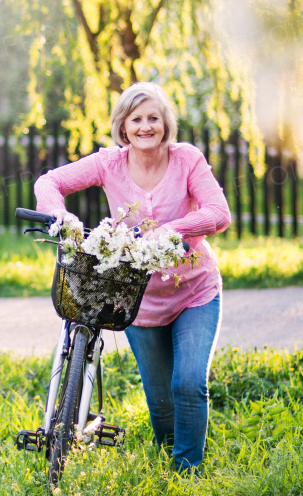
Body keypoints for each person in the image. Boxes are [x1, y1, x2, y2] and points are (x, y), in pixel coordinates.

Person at [33, 82, 231, 474]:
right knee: (160, 400)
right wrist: (63, 217)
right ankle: (171, 464)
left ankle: (188, 472)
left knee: (188, 384)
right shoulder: (109, 163)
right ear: (123, 126)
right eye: (136, 119)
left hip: (195, 292)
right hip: (136, 299)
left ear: (165, 123)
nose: (145, 126)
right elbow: (48, 182)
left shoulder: (187, 159)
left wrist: (175, 229)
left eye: (153, 118)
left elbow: (218, 212)